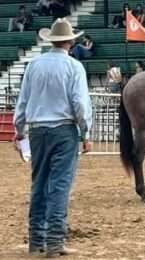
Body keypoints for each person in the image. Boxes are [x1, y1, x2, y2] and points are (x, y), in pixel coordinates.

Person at [13, 18, 92, 257]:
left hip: (37, 130)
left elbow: (22, 102)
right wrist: (85, 132)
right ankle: (55, 242)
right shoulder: (74, 66)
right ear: (70, 41)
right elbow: (79, 104)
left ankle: (36, 241)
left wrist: (19, 132)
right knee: (59, 185)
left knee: (39, 183)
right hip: (63, 130)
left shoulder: (34, 66)